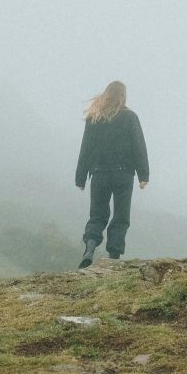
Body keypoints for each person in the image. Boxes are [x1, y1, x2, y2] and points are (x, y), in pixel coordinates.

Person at [74, 80, 149, 268]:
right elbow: (139, 146)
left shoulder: (95, 118)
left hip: (99, 173)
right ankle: (114, 256)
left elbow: (86, 148)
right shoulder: (130, 117)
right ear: (123, 96)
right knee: (121, 215)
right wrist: (143, 175)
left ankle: (90, 249)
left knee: (97, 214)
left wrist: (81, 177)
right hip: (123, 175)